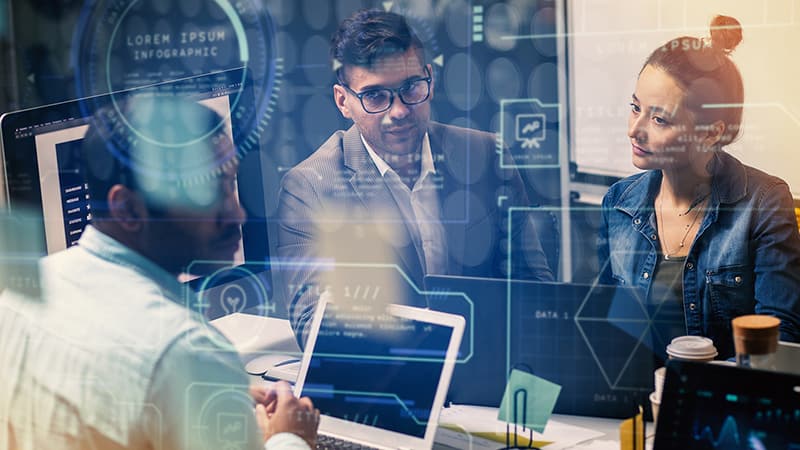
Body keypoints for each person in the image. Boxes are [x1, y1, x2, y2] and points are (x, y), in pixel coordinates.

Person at [0, 97, 318, 450]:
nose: (238, 214)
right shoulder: (186, 350)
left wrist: (207, 390)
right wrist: (290, 436)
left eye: (230, 183)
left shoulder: (19, 294)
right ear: (128, 208)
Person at [277, 9, 554, 344]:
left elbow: (534, 289)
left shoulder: (486, 156)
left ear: (430, 79)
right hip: (386, 379)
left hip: (485, 370)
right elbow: (315, 326)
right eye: (375, 96)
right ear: (343, 102)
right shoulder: (310, 188)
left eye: (410, 87)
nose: (399, 111)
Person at [598, 15, 800, 359]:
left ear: (711, 132)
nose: (635, 129)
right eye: (635, 108)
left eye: (659, 119)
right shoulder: (619, 202)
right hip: (633, 403)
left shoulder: (763, 204)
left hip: (718, 403)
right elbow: (595, 328)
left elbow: (778, 345)